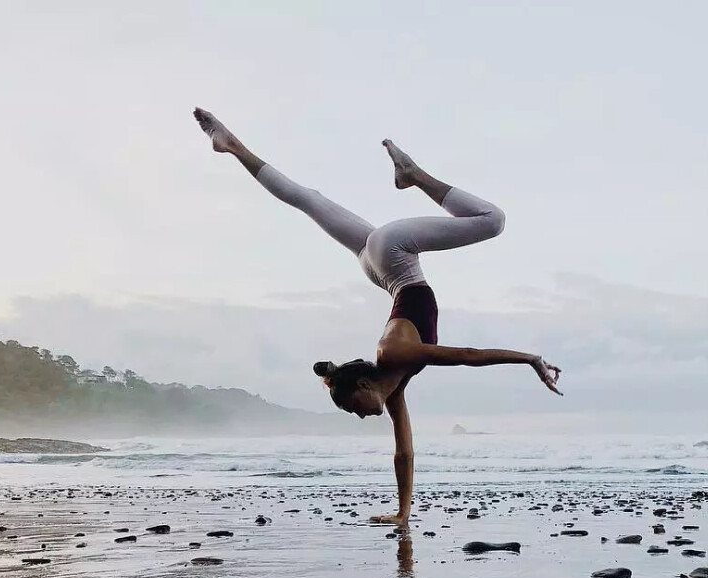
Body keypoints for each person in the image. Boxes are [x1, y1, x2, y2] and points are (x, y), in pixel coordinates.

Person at [194, 108, 562, 525]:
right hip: (378, 265)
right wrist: (402, 514)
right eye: (354, 411)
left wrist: (529, 359)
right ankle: (232, 144)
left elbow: (469, 355)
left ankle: (413, 175)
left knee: (492, 221)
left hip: (394, 255)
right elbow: (404, 452)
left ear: (365, 383)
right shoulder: (395, 384)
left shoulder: (394, 352)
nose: (360, 415)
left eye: (355, 406)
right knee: (308, 200)